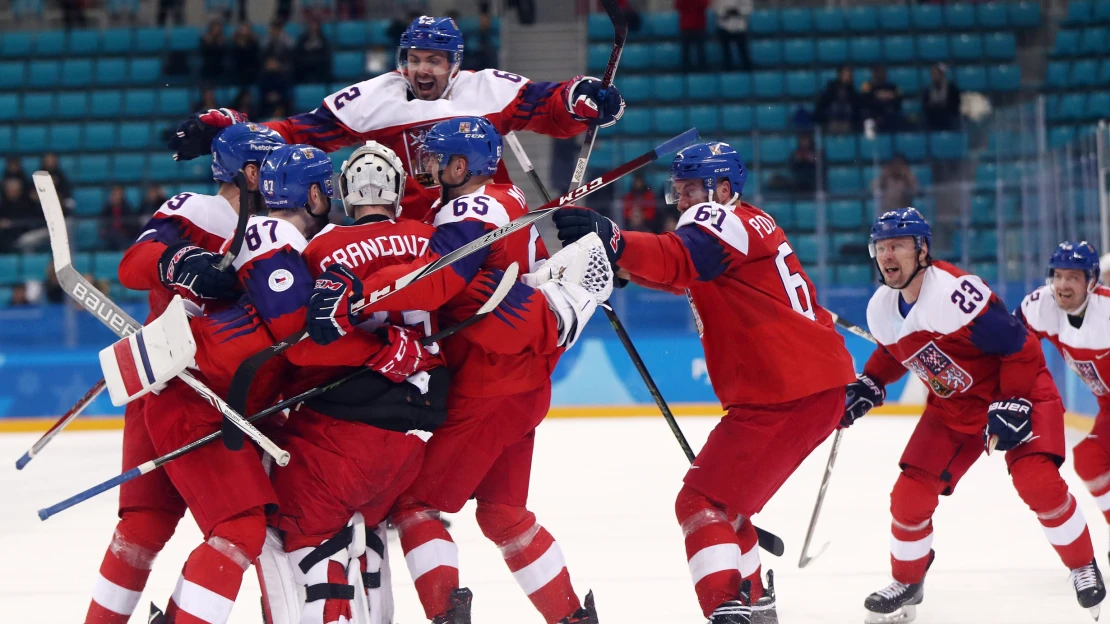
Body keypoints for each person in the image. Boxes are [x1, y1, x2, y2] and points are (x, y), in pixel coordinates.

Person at [303, 118, 612, 624]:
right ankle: (572, 618)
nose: (426, 165)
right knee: (503, 514)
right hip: (525, 380)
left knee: (416, 505)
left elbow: (437, 279)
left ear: (460, 166)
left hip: (490, 385)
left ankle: (447, 615)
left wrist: (360, 295)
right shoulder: (506, 198)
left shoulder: (472, 209)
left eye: (435, 158)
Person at [551, 141, 857, 624]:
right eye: (679, 191)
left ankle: (727, 609)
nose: (683, 201)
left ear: (722, 187)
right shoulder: (744, 223)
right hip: (800, 387)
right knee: (726, 503)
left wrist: (613, 241)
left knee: (700, 501)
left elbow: (680, 259)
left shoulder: (719, 220)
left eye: (691, 188)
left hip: (786, 392)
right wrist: (620, 261)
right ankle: (755, 600)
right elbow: (683, 273)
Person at [841, 209, 1103, 623]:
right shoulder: (881, 308)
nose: (888, 254)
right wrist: (870, 383)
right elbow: (895, 351)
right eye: (882, 246)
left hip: (1020, 391)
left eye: (899, 245)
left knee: (1038, 483)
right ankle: (908, 579)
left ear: (922, 250)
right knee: (909, 496)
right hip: (953, 410)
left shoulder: (955, 294)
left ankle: (1082, 565)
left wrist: (1014, 399)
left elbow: (1020, 348)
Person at [83, 123, 282, 624]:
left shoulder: (272, 224)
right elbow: (134, 264)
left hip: (182, 392)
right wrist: (178, 260)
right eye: (275, 170)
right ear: (252, 173)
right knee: (229, 527)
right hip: (187, 395)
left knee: (144, 526)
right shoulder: (197, 209)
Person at [169, 15, 625, 221]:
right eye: (414, 58)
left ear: (455, 64)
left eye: (434, 60)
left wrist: (582, 99)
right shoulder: (373, 99)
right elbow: (295, 132)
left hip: (486, 223)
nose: (423, 69)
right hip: (407, 232)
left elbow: (549, 105)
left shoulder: (486, 89)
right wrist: (226, 131)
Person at [1018, 243, 1110, 583]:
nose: (1063, 284)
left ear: (1091, 282)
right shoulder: (1043, 306)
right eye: (1058, 275)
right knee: (1089, 457)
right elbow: (1011, 343)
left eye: (1073, 276)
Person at [815, 66, 860, 134]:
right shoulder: (831, 89)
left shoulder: (853, 92)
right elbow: (821, 107)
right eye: (846, 73)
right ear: (840, 74)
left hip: (847, 123)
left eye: (850, 74)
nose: (849, 76)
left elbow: (856, 110)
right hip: (831, 121)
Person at [861, 66, 903, 133]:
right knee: (868, 120)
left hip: (889, 115)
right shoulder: (868, 86)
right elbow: (865, 101)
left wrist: (883, 96)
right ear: (874, 73)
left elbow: (898, 101)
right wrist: (880, 96)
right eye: (878, 71)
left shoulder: (893, 87)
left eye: (883, 71)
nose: (881, 74)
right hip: (873, 115)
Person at [922, 63, 961, 132]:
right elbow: (925, 105)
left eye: (937, 74)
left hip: (948, 116)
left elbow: (956, 104)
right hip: (933, 117)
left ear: (942, 75)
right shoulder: (928, 90)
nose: (935, 77)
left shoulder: (951, 88)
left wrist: (943, 105)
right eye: (933, 75)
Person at [716, 0, 752, 71]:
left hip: (740, 27)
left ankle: (747, 72)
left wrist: (737, 11)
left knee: (743, 51)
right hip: (724, 26)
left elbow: (749, 8)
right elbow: (717, 8)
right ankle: (727, 72)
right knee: (726, 52)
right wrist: (726, 12)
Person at [293, 19, 332, 83]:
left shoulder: (323, 39)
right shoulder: (303, 39)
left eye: (315, 25)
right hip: (305, 67)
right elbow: (297, 54)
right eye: (312, 25)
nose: (313, 27)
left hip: (319, 67)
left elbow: (326, 55)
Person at [677, 0, 710, 72]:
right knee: (688, 51)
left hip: (694, 26)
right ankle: (689, 70)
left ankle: (700, 70)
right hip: (691, 26)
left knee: (699, 50)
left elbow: (705, 5)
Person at [100, 185, 136, 250]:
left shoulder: (127, 208)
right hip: (110, 236)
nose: (116, 197)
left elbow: (132, 226)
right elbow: (102, 222)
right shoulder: (107, 208)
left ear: (122, 196)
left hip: (124, 236)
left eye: (118, 195)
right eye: (114, 195)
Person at [230, 22, 262, 87]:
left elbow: (255, 57)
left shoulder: (254, 43)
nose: (244, 33)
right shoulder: (234, 44)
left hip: (251, 71)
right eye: (243, 30)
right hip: (238, 72)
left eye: (246, 30)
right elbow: (234, 58)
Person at [200, 20, 227, 84]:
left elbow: (224, 53)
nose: (216, 30)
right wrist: (208, 42)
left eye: (218, 28)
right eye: (214, 28)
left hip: (220, 64)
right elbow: (204, 52)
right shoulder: (205, 39)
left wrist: (221, 43)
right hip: (208, 65)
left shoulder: (223, 39)